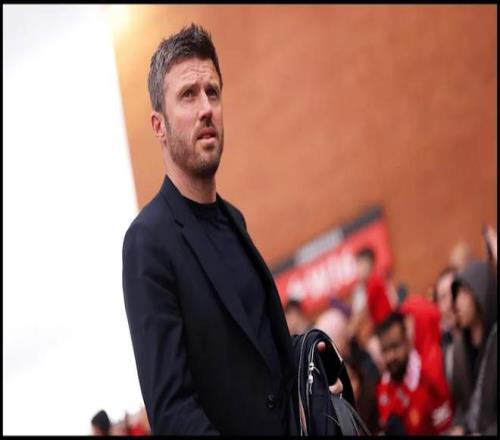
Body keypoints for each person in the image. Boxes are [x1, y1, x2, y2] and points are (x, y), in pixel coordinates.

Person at [122, 24, 342, 436]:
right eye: (188, 95)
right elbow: (172, 410)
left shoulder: (234, 220)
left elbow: (263, 367)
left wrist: (311, 390)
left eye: (213, 92)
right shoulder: (148, 242)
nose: (206, 107)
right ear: (158, 126)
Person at [375, 312, 452, 435]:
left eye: (395, 347)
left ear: (407, 342)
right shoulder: (382, 388)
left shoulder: (429, 380)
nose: (390, 356)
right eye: (385, 350)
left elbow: (446, 431)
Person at [448, 259, 497, 435]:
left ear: (480, 292)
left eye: (464, 292)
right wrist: (459, 426)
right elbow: (462, 406)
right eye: (456, 294)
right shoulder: (459, 349)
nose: (457, 302)